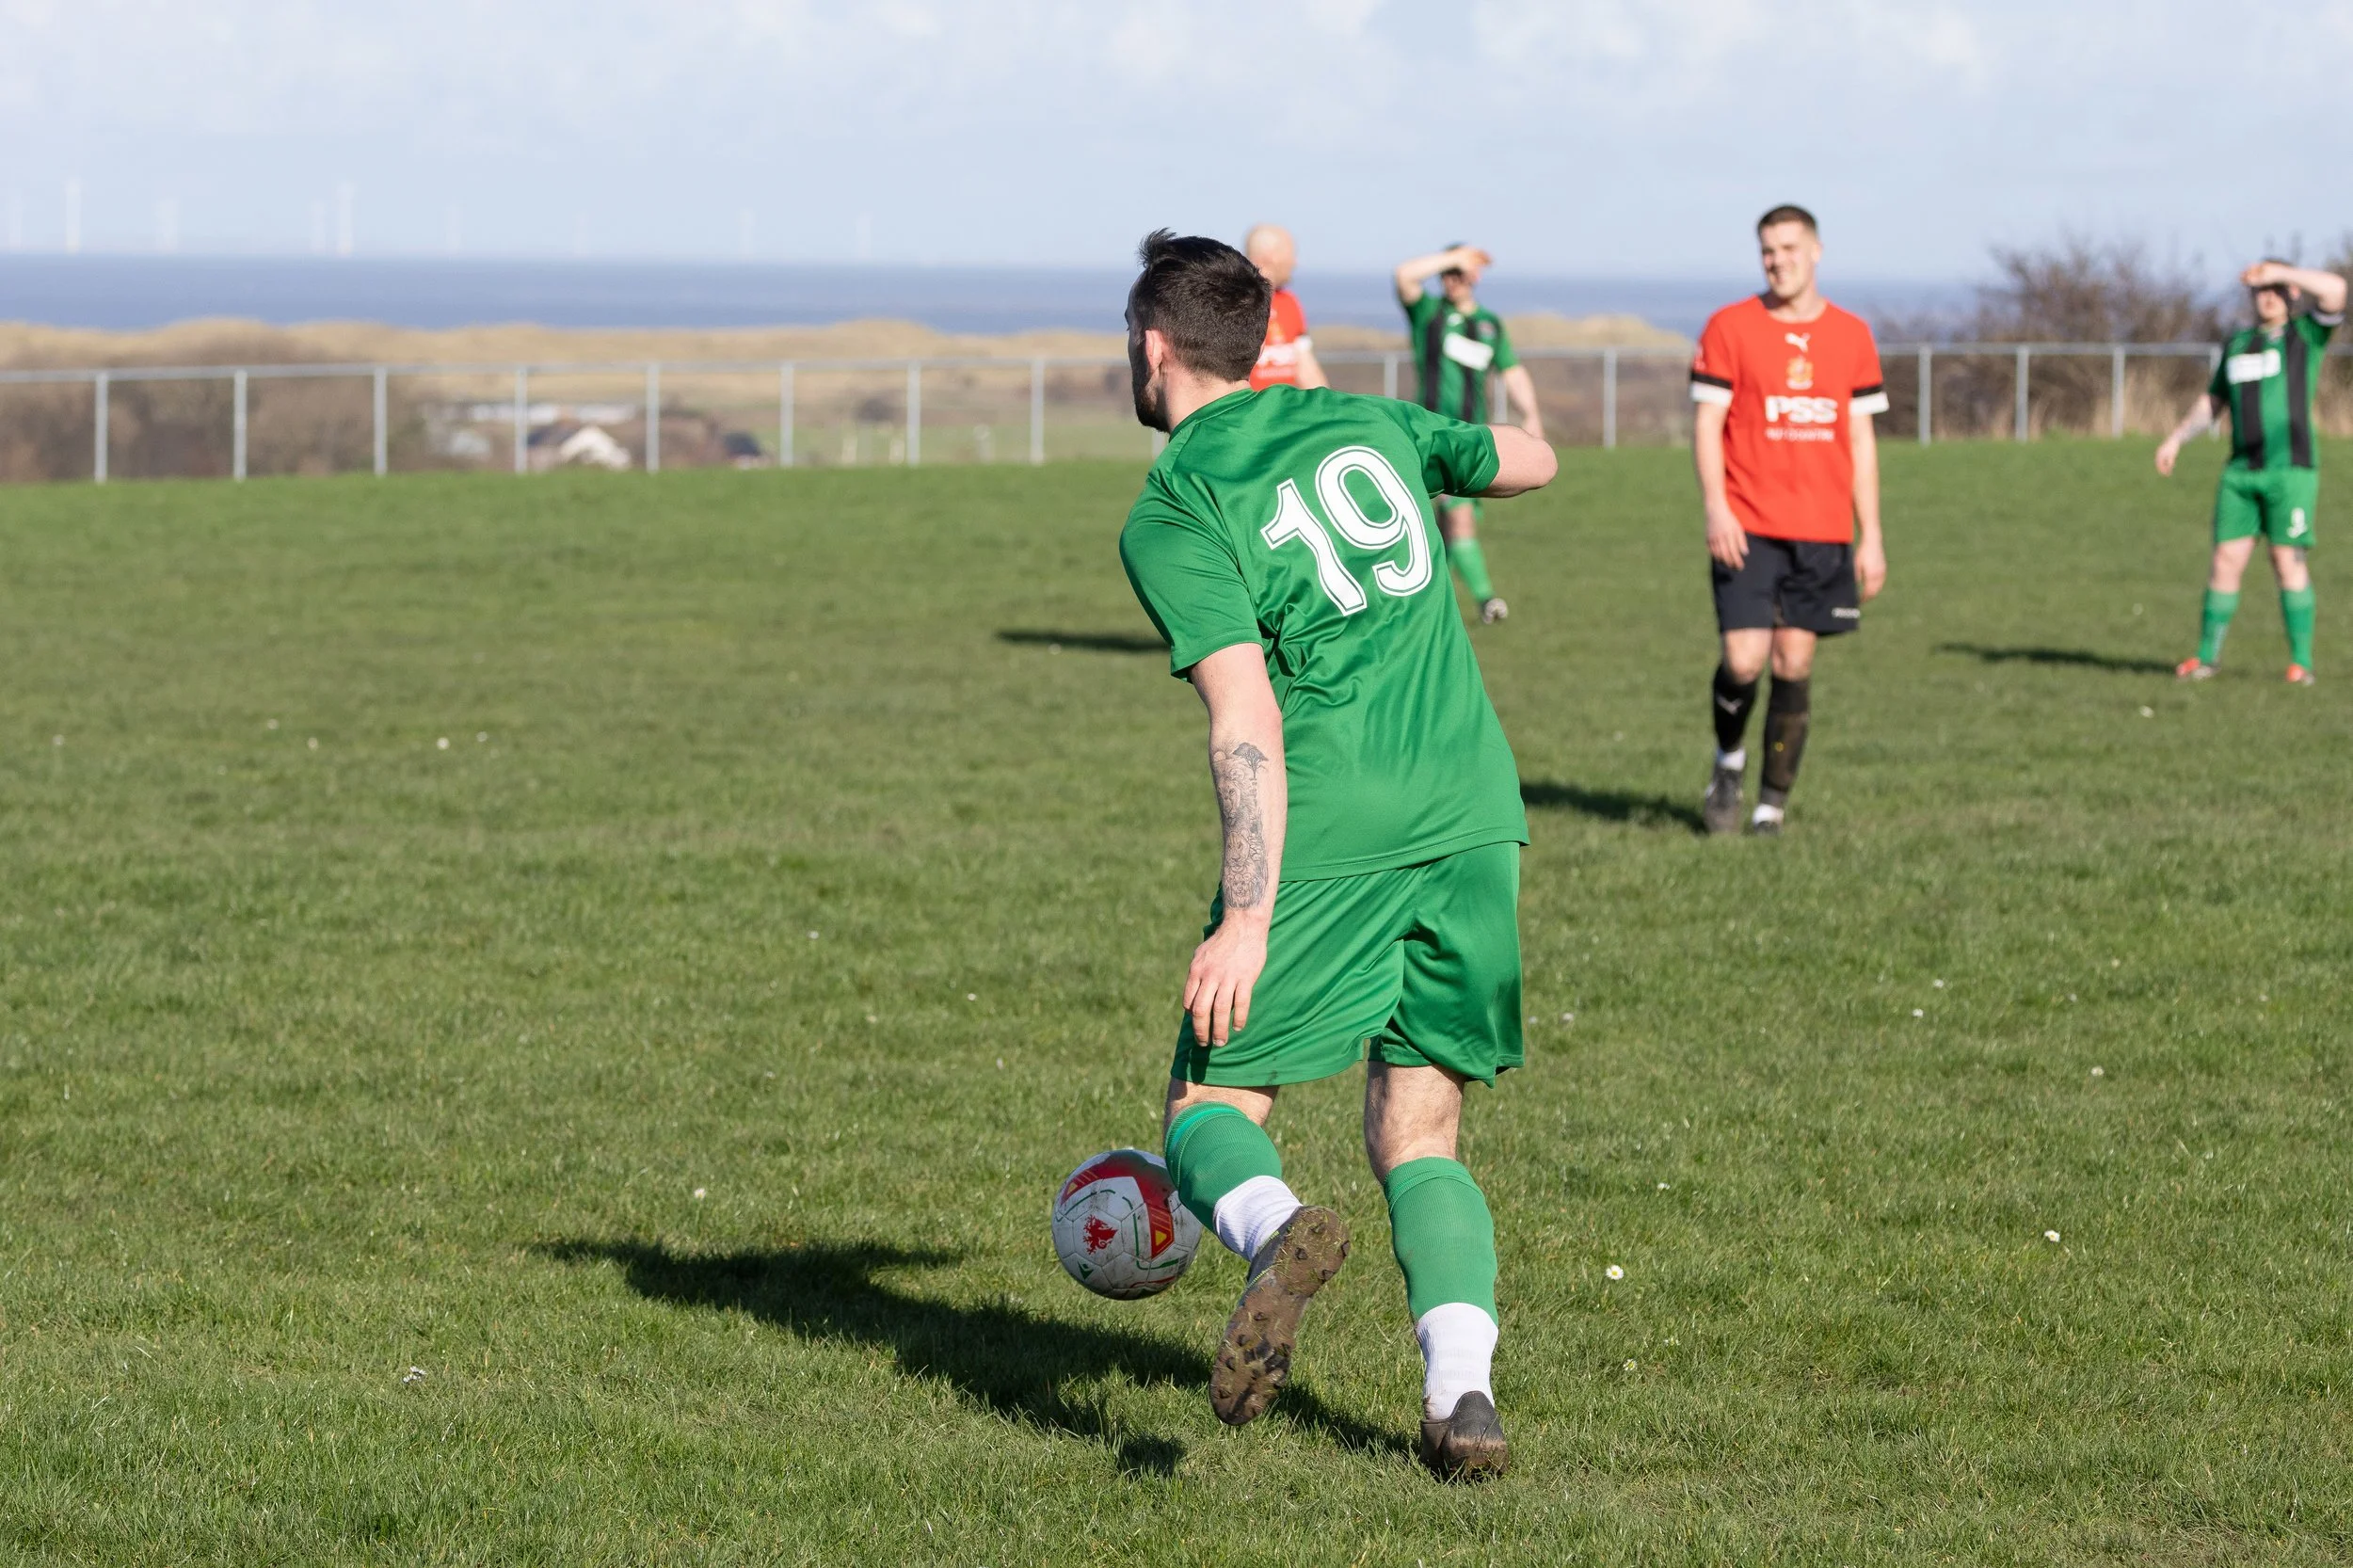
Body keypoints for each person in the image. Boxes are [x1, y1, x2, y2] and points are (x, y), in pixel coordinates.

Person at [1117, 230, 1556, 1480]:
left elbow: (1245, 715)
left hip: (1339, 818)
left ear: (1156, 350)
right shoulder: (1369, 417)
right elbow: (1533, 458)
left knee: (1208, 1103)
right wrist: (1443, 454)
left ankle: (1270, 1231)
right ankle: (1461, 1393)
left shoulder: (1176, 504)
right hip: (1476, 803)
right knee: (1421, 1128)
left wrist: (1246, 916)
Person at [1690, 205, 1888, 837]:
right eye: (1768, 251)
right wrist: (1717, 507)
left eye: (1789, 248)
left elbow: (1861, 440)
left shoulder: (1853, 335)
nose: (1778, 261)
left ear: (1817, 251)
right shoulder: (1730, 327)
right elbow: (1707, 425)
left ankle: (1771, 805)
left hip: (1823, 531)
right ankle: (1728, 761)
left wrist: (1872, 535)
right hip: (1747, 524)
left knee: (1794, 664)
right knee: (1744, 660)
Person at [2156, 260, 2346, 684]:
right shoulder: (2239, 343)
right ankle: (2206, 657)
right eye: (2261, 290)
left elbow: (2335, 290)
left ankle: (2301, 664)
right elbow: (2214, 401)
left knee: (2286, 561)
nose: (2267, 296)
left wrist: (2282, 272)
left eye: (2276, 289)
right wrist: (2176, 439)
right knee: (2225, 560)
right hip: (2241, 473)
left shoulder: (2304, 336)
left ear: (2291, 293)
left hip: (2290, 472)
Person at [1393, 244, 1545, 623]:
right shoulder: (1429, 314)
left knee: (1444, 529)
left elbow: (1511, 371)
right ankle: (1487, 600)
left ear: (1474, 278)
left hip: (1471, 435)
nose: (1452, 280)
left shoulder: (1490, 324)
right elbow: (1404, 276)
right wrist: (1453, 257)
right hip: (1428, 436)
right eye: (1447, 274)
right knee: (1457, 517)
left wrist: (1532, 415)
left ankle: (1420, 607)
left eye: (1460, 274)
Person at [1243, 224, 1329, 392]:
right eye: (1291, 254)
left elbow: (1306, 368)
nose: (1295, 262)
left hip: (1284, 413)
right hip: (1247, 414)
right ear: (1271, 256)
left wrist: (1332, 410)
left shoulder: (1289, 303)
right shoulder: (1233, 301)